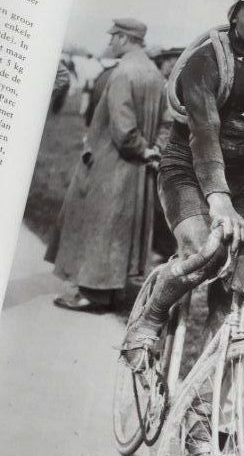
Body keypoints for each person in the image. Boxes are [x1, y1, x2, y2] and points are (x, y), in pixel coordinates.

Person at [123, 0, 244, 355]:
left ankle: (205, 389)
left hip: (242, 183)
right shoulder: (206, 62)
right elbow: (204, 132)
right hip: (186, 168)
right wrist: (218, 199)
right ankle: (150, 317)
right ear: (234, 17)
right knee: (205, 250)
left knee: (242, 273)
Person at [46, 18, 170, 311]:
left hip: (113, 163)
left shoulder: (122, 73)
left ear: (124, 39)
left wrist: (140, 148)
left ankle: (92, 294)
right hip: (139, 168)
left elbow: (124, 130)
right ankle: (113, 293)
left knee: (101, 225)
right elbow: (167, 121)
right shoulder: (154, 73)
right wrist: (154, 151)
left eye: (113, 38)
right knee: (122, 228)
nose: (110, 43)